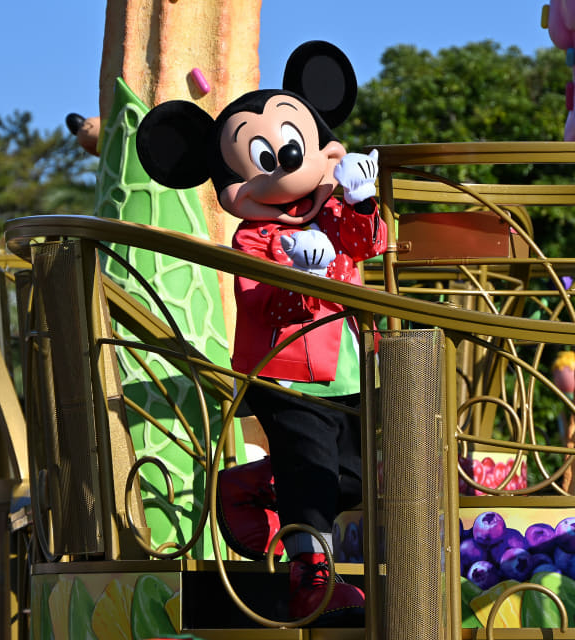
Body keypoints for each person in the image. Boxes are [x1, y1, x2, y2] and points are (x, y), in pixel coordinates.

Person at [136, 41, 385, 626]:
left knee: (351, 477)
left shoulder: (332, 214)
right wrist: (301, 276)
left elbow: (368, 245)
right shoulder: (253, 238)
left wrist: (362, 199)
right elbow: (264, 303)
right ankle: (311, 581)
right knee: (312, 475)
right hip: (284, 374)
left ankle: (252, 485)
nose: (286, 164)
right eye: (263, 159)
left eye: (295, 147)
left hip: (349, 369)